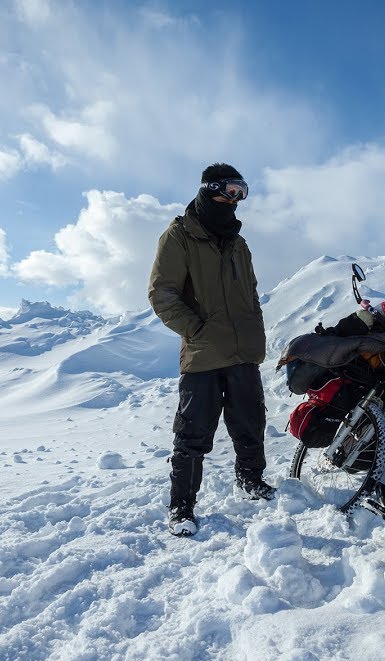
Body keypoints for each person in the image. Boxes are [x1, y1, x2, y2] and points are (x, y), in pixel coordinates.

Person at [147, 163, 275, 537]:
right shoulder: (180, 235)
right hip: (203, 355)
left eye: (241, 193)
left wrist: (255, 331)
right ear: (210, 189)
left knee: (250, 422)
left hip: (243, 352)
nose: (235, 200)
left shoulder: (238, 243)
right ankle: (181, 507)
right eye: (230, 191)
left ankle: (250, 480)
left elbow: (250, 293)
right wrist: (197, 330)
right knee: (192, 433)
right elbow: (162, 294)